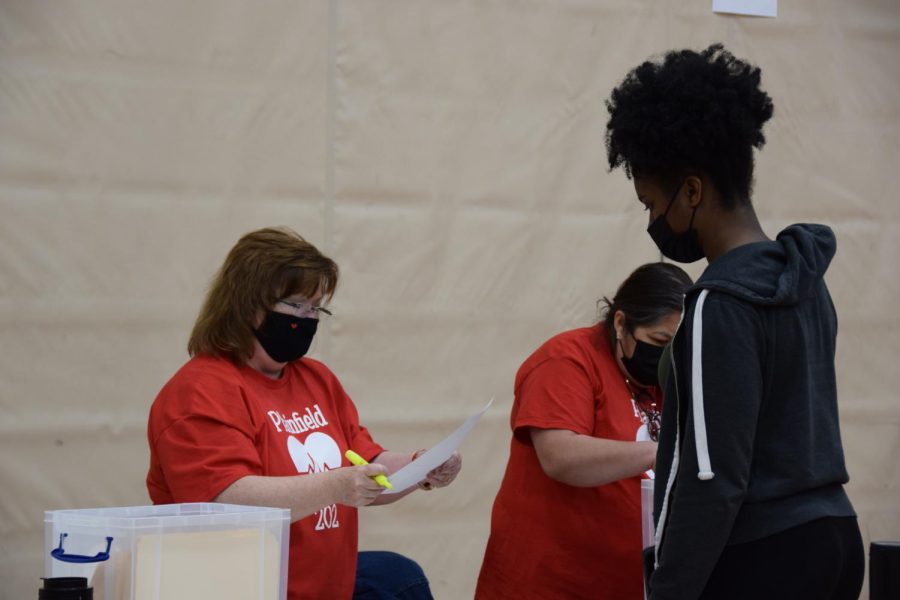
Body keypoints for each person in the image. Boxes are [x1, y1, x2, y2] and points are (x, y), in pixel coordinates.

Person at [605, 44, 864, 600]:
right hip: (835, 538)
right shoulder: (805, 281)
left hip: (764, 554)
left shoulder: (714, 305)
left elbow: (711, 476)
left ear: (692, 191)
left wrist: (668, 588)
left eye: (652, 204)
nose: (654, 221)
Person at [146, 227, 461, 600]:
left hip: (324, 585)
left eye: (316, 309)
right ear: (247, 304)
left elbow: (366, 463)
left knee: (398, 577)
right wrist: (335, 485)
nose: (308, 319)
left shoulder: (316, 378)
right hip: (240, 587)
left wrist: (420, 466)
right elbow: (225, 501)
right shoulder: (201, 391)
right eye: (296, 306)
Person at [475, 262, 693, 599]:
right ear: (620, 322)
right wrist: (657, 452)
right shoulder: (567, 360)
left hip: (629, 583)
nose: (666, 357)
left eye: (676, 347)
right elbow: (560, 456)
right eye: (659, 341)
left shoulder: (668, 378)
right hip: (552, 583)